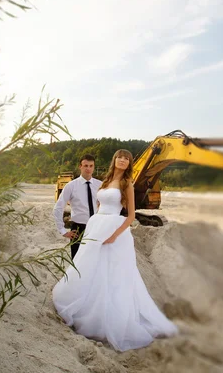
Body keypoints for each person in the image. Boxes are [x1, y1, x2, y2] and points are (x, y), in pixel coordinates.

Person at [52, 149, 178, 352]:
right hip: (97, 225)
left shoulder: (127, 183)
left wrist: (114, 235)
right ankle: (84, 306)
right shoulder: (105, 179)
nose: (122, 160)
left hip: (113, 231)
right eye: (120, 157)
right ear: (115, 159)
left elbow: (130, 216)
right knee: (90, 268)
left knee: (113, 275)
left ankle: (109, 318)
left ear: (129, 164)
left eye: (126, 159)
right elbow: (99, 204)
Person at [53, 154, 102, 259]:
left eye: (91, 166)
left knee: (96, 261)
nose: (88, 169)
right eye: (85, 166)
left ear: (94, 167)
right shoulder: (71, 186)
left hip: (96, 227)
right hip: (78, 229)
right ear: (80, 166)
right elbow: (58, 207)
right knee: (77, 262)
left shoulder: (100, 185)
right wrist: (62, 230)